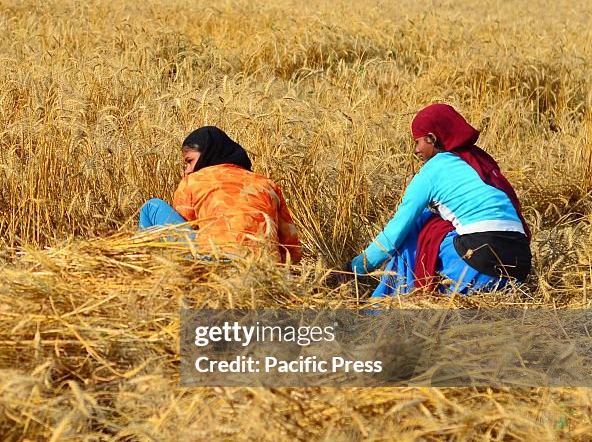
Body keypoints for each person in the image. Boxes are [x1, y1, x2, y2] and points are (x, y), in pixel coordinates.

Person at [347, 104, 531, 297]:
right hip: (518, 271)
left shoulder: (432, 171)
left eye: (417, 142)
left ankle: (383, 304)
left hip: (478, 267)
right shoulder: (478, 162)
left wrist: (356, 267)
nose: (415, 150)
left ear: (432, 139)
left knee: (421, 222)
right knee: (441, 223)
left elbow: (395, 233)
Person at [138, 126, 302, 263]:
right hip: (266, 273)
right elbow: (293, 252)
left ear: (208, 154)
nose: (187, 170)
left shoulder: (193, 181)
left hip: (216, 265)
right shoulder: (266, 184)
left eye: (189, 161)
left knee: (151, 207)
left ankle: (142, 269)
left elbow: (181, 237)